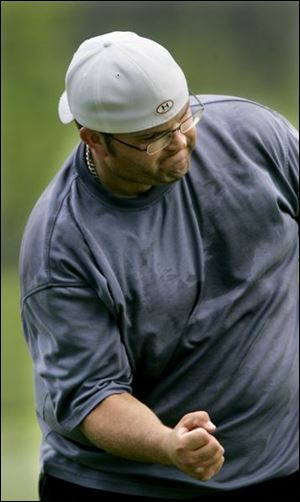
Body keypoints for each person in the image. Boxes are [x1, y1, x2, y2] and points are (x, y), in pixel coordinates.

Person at [19, 31, 298, 501]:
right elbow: (93, 397)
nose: (180, 142)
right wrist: (168, 444)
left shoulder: (254, 134)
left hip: (279, 466)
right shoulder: (62, 246)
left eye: (184, 117)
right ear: (94, 139)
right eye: (152, 138)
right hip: (131, 486)